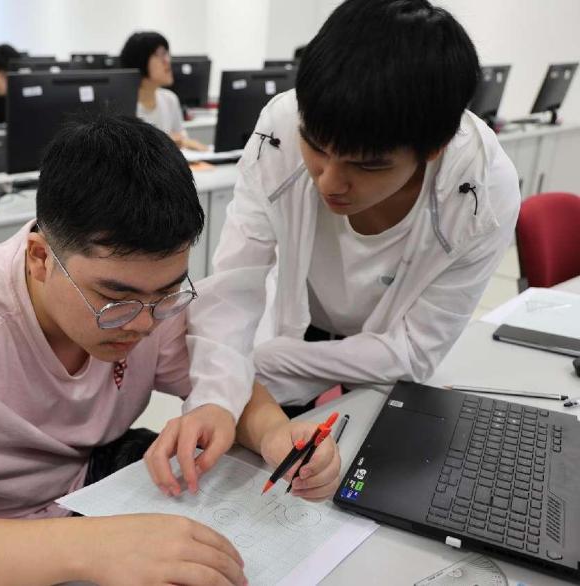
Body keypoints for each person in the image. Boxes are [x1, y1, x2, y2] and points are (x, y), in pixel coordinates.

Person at [0, 112, 341, 585]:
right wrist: (91, 548)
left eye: (167, 292)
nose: (143, 323)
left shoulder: (148, 298)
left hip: (87, 495)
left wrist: (277, 435)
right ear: (41, 258)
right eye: (115, 297)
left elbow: (222, 379)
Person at [182, 0, 521, 425]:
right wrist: (217, 393)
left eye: (368, 165)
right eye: (317, 148)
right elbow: (235, 279)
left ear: (434, 148)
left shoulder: (481, 193)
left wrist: (273, 360)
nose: (329, 182)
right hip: (297, 317)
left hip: (389, 353)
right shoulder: (282, 131)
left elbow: (413, 351)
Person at [119, 31, 207, 151]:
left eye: (167, 54)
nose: (167, 61)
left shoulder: (169, 99)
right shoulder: (122, 106)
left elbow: (181, 139)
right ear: (140, 60)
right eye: (160, 55)